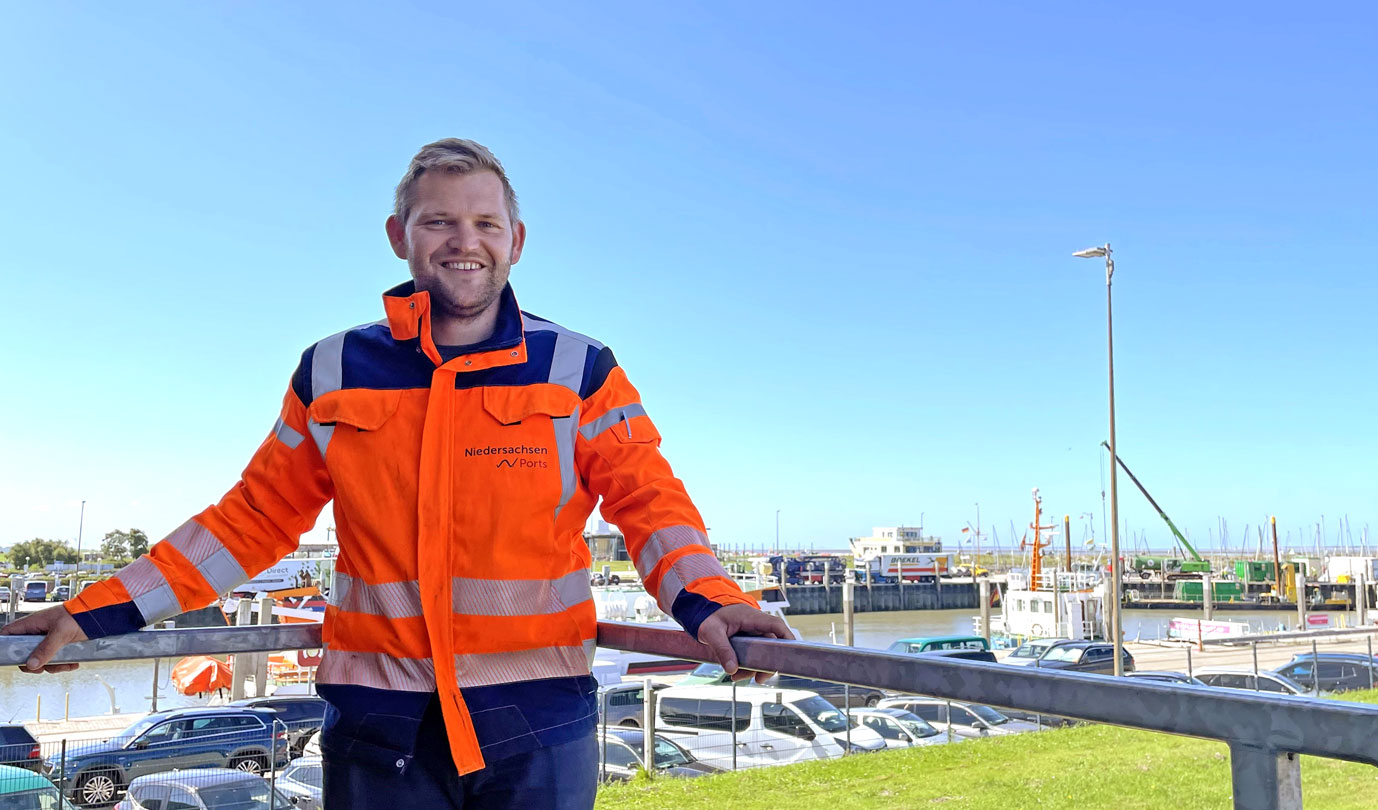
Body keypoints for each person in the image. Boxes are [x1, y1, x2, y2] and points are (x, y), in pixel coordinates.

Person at [3, 138, 793, 809]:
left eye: (485, 222)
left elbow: (648, 501)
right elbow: (251, 520)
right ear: (398, 235)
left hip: (536, 722)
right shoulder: (332, 369)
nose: (464, 240)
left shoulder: (579, 368)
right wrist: (96, 612)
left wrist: (712, 600)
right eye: (438, 220)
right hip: (381, 724)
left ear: (517, 239)